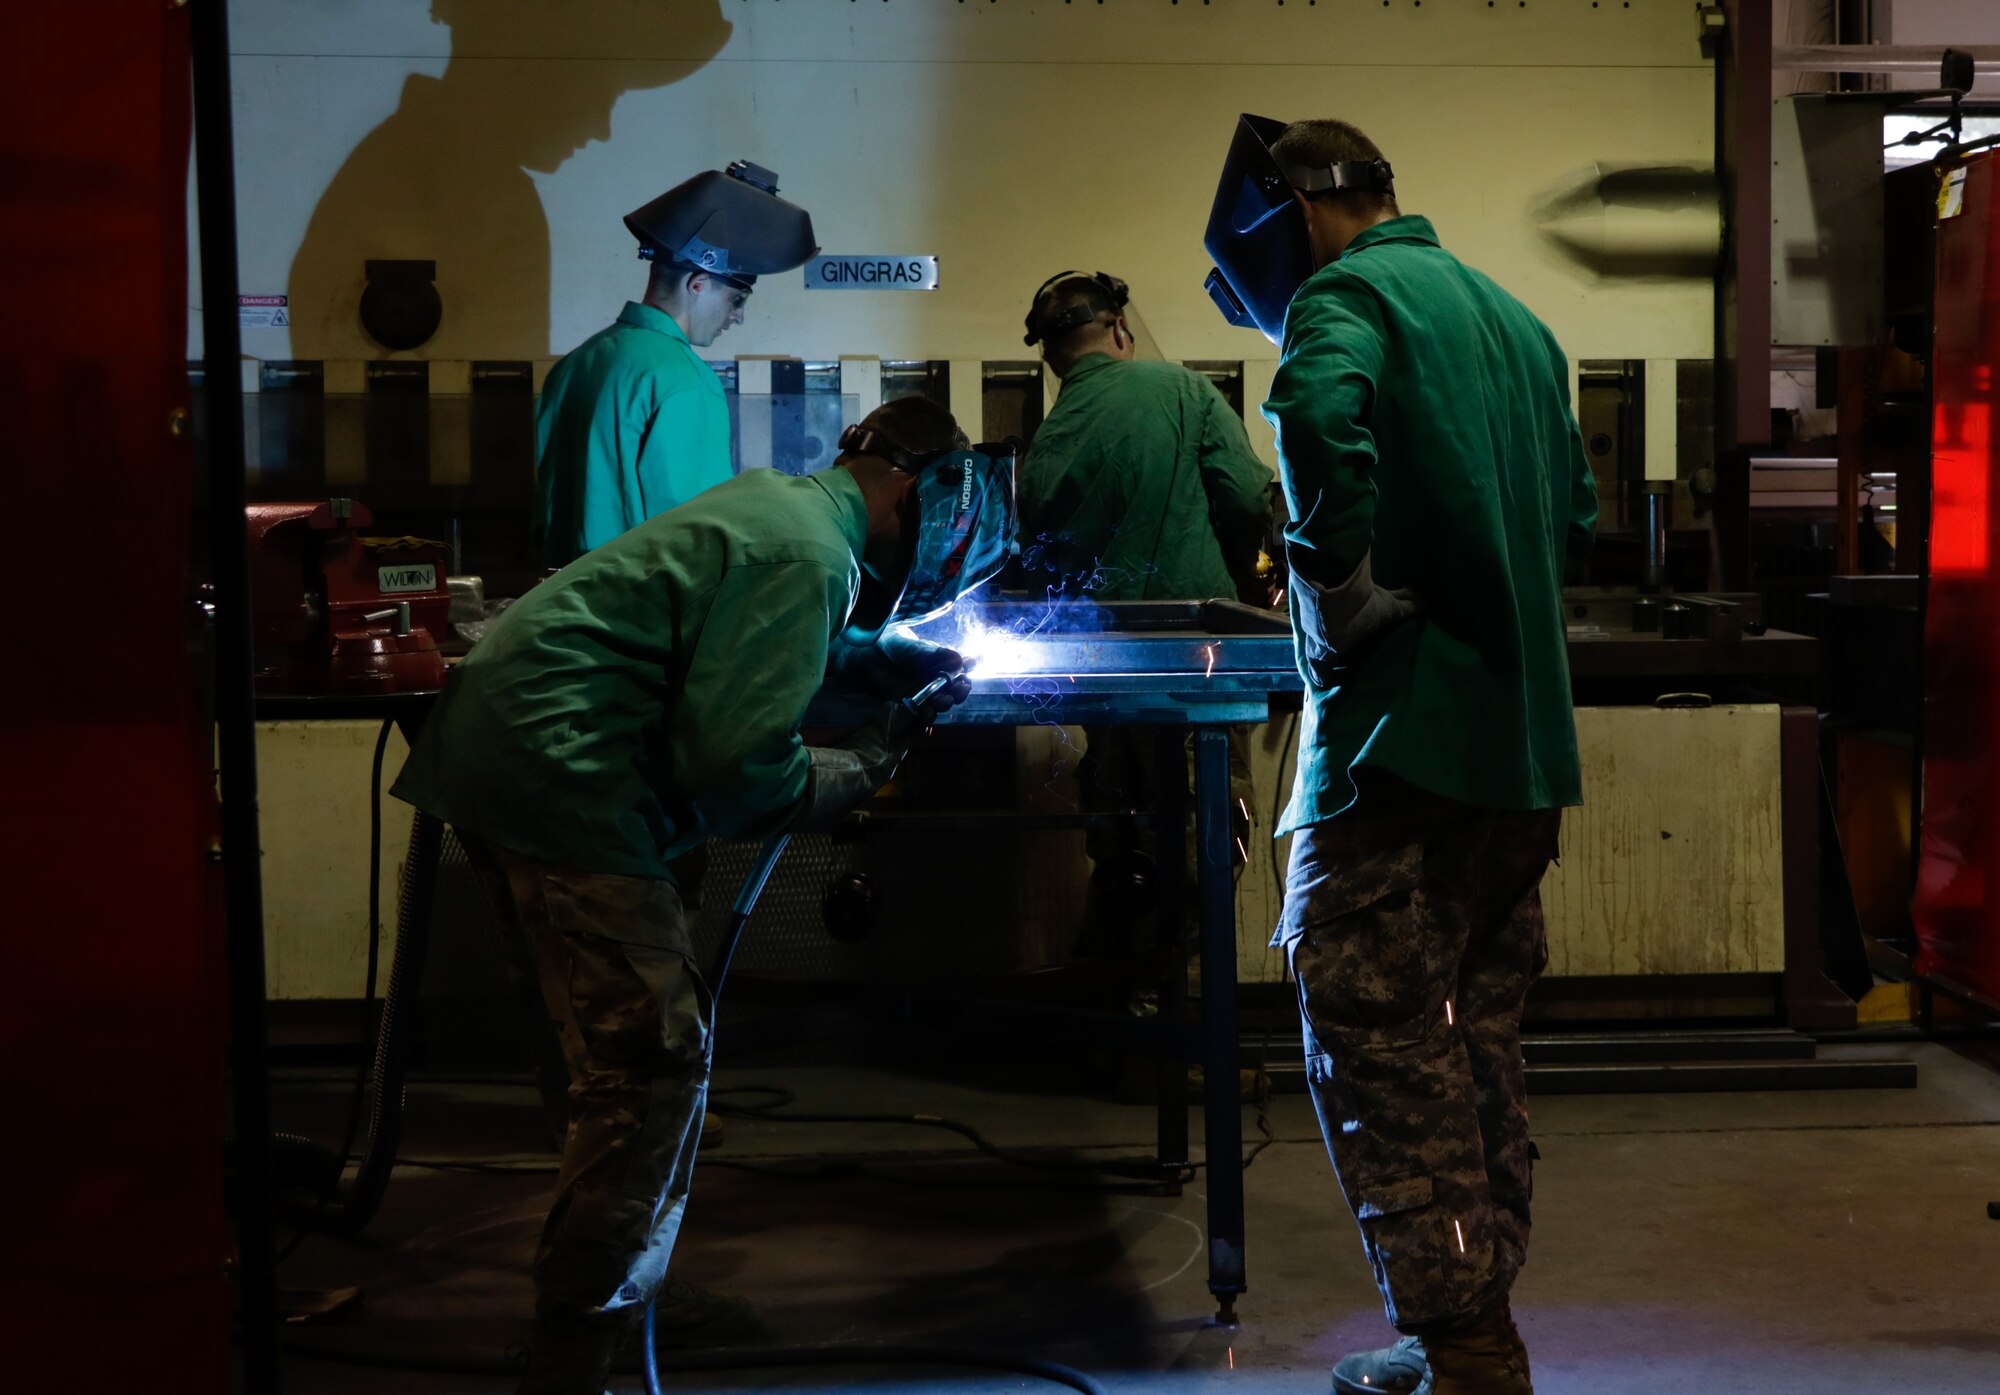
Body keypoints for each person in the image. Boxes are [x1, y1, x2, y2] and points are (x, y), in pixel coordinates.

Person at [392, 395, 1015, 1395]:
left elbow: (747, 641)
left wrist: (876, 661)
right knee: (649, 1069)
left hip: (519, 753)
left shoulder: (786, 511)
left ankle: (629, 1290)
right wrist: (868, 759)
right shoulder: (808, 554)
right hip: (565, 776)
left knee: (611, 1061)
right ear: (916, 490)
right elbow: (742, 772)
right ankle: (578, 1354)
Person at [1205, 116, 1597, 1395]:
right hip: (1516, 753)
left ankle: (1470, 1353)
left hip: (1393, 754)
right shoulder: (1514, 322)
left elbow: (1316, 414)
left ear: (1293, 214)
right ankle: (1465, 1326)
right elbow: (1575, 515)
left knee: (1384, 1051)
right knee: (1474, 1047)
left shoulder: (1343, 299)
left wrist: (1344, 591)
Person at [1016, 272, 1274, 932]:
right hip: (1197, 666)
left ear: (1050, 354)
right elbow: (1247, 496)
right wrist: (1248, 586)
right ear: (1120, 328)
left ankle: (1129, 989)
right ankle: (1181, 993)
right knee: (1206, 831)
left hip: (1103, 676)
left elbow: (1044, 568)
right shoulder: (1182, 390)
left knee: (1123, 835)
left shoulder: (1044, 445)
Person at [533, 160, 819, 567]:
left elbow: (544, 509)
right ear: (697, 285)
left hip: (562, 601)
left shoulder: (574, 366)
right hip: (636, 612)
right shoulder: (684, 379)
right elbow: (695, 533)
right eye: (736, 299)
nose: (737, 316)